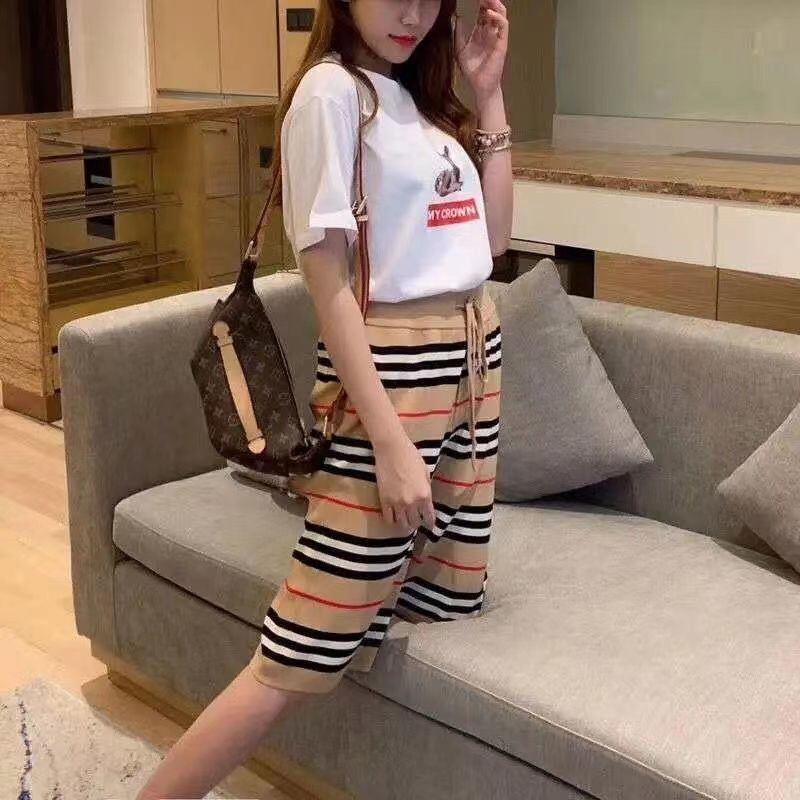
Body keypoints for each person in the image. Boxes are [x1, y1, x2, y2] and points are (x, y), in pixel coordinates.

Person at [136, 1, 511, 797]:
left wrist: (490, 96)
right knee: (302, 641)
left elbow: (493, 244)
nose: (413, 12)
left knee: (446, 595)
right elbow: (329, 284)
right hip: (396, 376)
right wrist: (389, 440)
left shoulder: (422, 101)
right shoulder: (330, 94)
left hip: (476, 362)